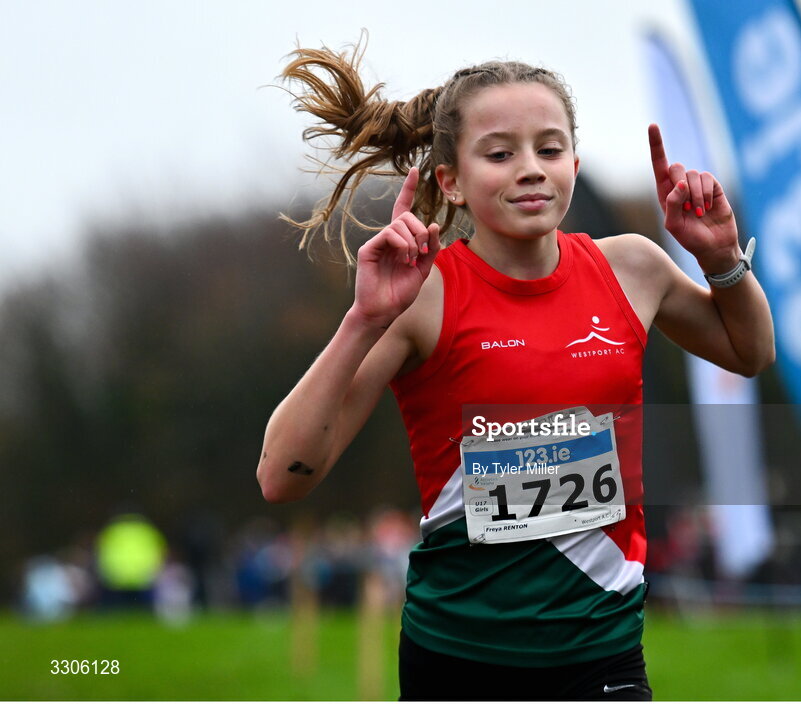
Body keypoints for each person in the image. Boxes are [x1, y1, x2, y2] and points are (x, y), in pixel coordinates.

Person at [258, 39, 774, 701]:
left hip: (604, 656)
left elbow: (751, 352)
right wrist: (364, 321)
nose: (530, 169)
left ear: (574, 165)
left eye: (549, 149)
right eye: (500, 154)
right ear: (451, 180)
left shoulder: (634, 268)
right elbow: (281, 477)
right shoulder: (424, 297)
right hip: (459, 661)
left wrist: (722, 259)